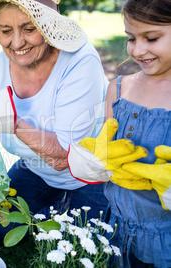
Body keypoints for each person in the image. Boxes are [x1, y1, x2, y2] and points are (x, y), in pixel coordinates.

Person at [0, 0, 109, 243]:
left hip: (91, 173)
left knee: (80, 242)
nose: (17, 43)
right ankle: (52, 213)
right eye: (6, 31)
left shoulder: (80, 61)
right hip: (35, 167)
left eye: (29, 29)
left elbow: (64, 157)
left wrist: (13, 123)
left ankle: (62, 214)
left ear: (49, 26)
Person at [67, 0, 171, 266]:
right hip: (116, 229)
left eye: (152, 38)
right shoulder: (119, 89)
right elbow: (104, 149)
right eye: (131, 38)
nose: (138, 49)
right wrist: (90, 161)